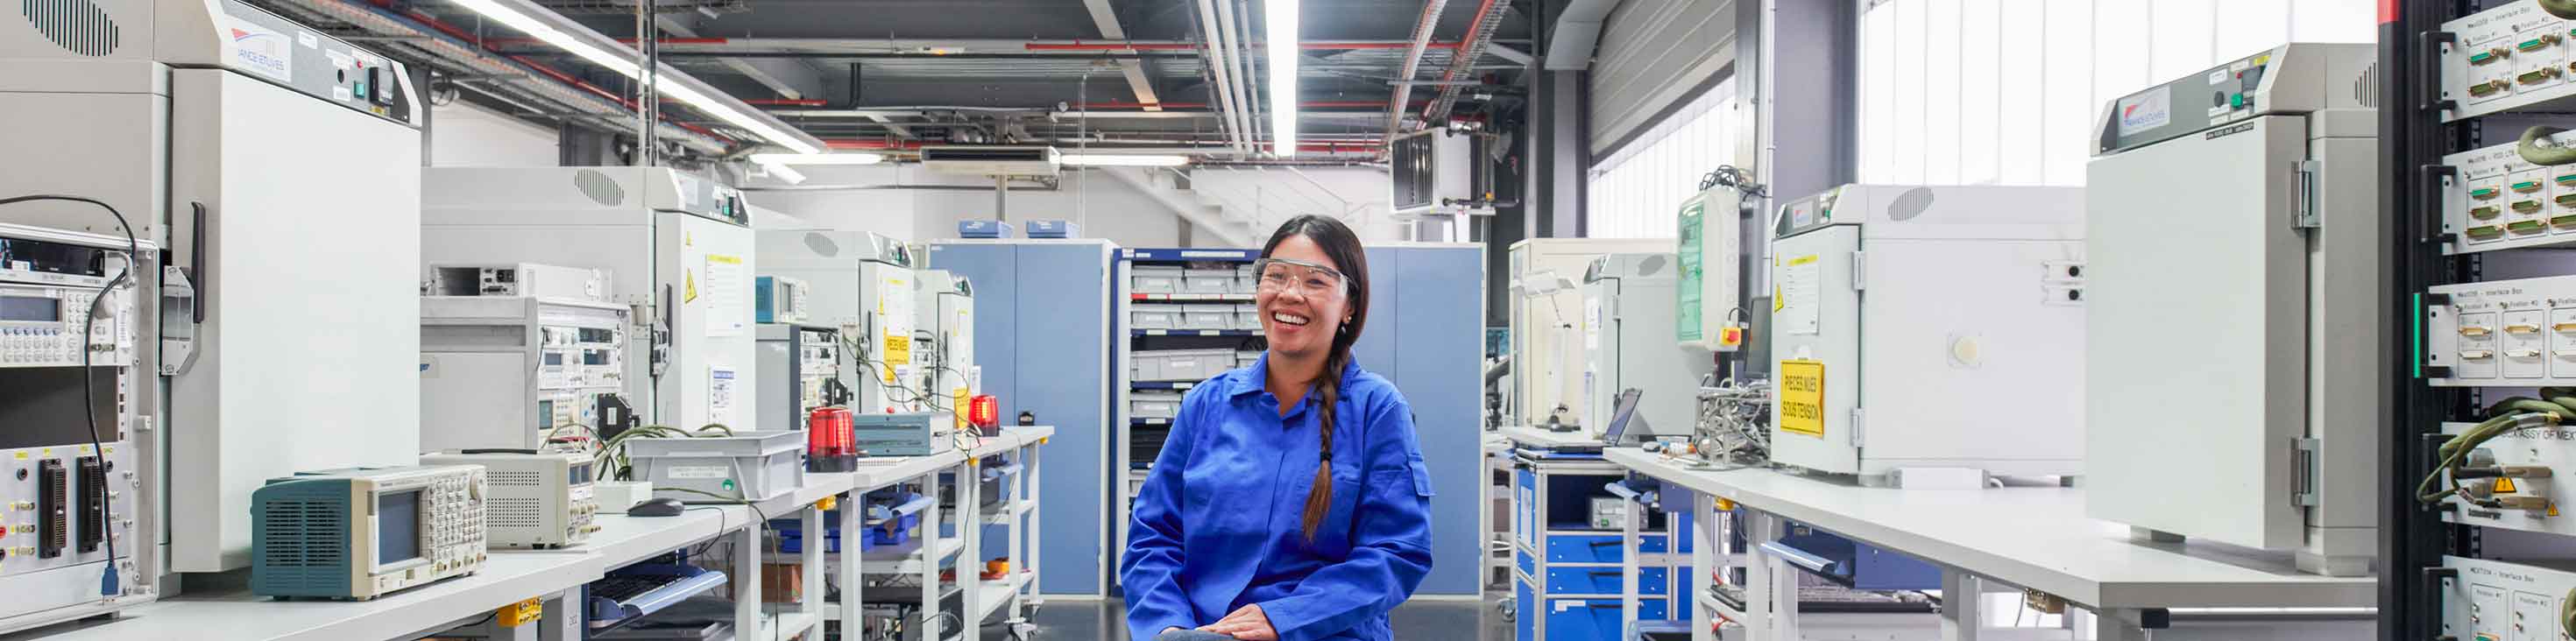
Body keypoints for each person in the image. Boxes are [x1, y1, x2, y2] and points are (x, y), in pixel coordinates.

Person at [1120, 215, 1437, 641]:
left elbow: (1397, 551)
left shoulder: (1376, 410)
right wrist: (1168, 626)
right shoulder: (1206, 405)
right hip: (1204, 633)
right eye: (1277, 275)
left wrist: (1285, 618)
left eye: (1316, 281)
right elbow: (1153, 537)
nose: (1290, 293)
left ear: (1350, 305)